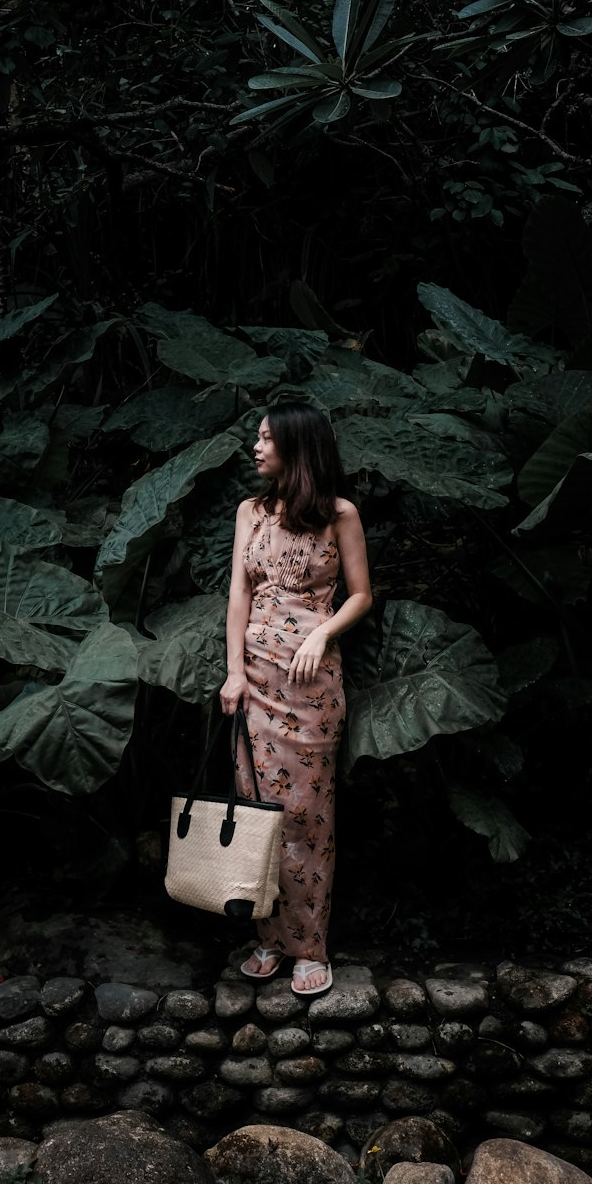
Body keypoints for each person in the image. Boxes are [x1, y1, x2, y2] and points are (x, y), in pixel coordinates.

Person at [218, 403, 372, 996]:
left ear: (296, 446)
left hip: (309, 685)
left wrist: (320, 631)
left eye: (265, 439)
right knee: (258, 812)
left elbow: (361, 595)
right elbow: (237, 594)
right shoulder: (250, 512)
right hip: (252, 682)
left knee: (308, 817)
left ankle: (309, 946)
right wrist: (233, 673)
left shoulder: (340, 513)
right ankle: (266, 940)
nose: (255, 448)